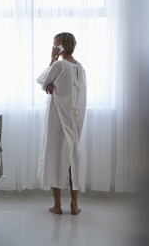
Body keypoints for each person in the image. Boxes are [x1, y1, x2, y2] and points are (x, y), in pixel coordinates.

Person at [36, 32, 87, 215]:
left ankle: (57, 206)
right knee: (74, 159)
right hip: (74, 120)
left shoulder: (58, 65)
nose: (53, 47)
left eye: (54, 44)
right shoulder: (80, 68)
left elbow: (43, 80)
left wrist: (52, 60)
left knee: (55, 156)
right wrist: (50, 86)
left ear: (60, 47)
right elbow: (79, 96)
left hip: (58, 118)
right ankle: (74, 205)